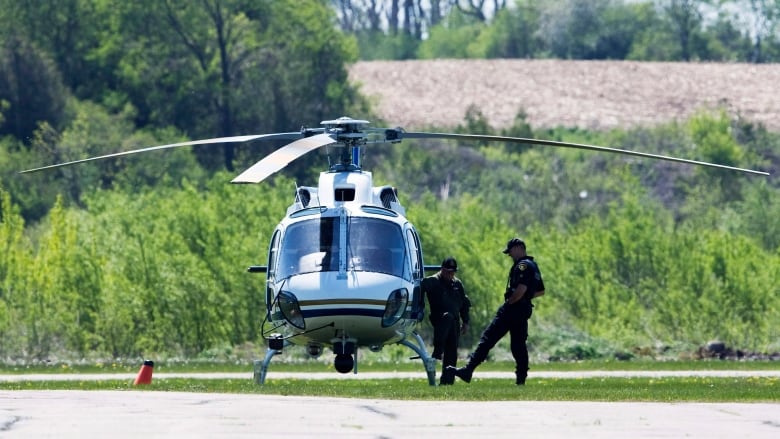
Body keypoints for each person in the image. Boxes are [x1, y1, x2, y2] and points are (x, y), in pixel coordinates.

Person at [447, 238, 545, 385]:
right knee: (518, 345)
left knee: (488, 338)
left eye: (511, 251)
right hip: (523, 309)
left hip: (513, 308)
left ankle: (468, 370)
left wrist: (511, 301)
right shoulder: (533, 265)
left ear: (519, 248)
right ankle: (521, 379)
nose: (510, 255)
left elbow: (521, 288)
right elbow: (540, 291)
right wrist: (525, 298)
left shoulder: (523, 266)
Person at [421, 256, 471, 385]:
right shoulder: (432, 281)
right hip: (440, 320)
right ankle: (438, 350)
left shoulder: (457, 284)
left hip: (454, 322)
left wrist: (465, 322)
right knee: (447, 317)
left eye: (452, 272)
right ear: (442, 270)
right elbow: (418, 287)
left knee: (452, 352)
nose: (450, 274)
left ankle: (447, 381)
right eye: (447, 271)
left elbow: (465, 303)